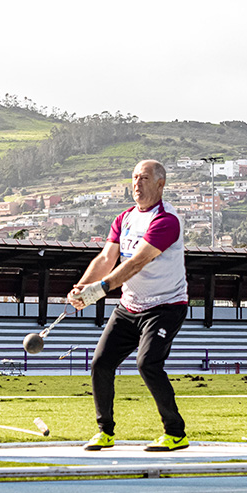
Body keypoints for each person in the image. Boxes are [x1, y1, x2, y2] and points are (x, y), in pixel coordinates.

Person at [68, 159, 190, 453]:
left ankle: (175, 433)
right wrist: (82, 287)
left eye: (144, 178)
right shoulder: (124, 218)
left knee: (147, 364)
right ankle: (104, 432)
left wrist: (102, 289)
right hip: (130, 306)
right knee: (100, 364)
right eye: (134, 177)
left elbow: (138, 261)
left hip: (165, 306)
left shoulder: (166, 220)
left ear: (160, 184)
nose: (137, 183)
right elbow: (106, 259)